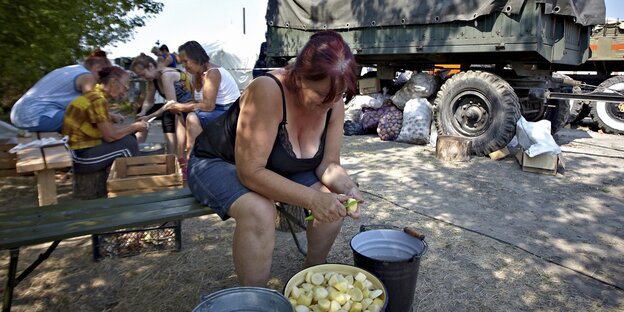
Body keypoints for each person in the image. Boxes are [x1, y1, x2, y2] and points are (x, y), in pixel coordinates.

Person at [187, 31, 363, 286]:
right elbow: (250, 172)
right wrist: (314, 199)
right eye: (321, 96)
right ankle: (254, 299)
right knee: (259, 210)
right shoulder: (268, 89)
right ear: (300, 76)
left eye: (337, 96)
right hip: (216, 161)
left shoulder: (332, 99)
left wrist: (348, 187)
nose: (330, 104)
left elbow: (329, 165)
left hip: (274, 165)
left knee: (334, 202)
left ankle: (310, 280)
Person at [62, 66, 148, 174]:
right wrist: (134, 127)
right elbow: (110, 136)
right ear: (113, 82)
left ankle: (117, 177)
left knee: (128, 138)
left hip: (79, 150)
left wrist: (131, 128)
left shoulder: (94, 94)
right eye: (124, 88)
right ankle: (132, 183)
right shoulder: (98, 100)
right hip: (79, 158)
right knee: (128, 144)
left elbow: (107, 130)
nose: (124, 93)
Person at [10, 51, 113, 132]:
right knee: (92, 122)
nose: (102, 80)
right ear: (98, 68)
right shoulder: (87, 77)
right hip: (34, 117)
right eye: (105, 74)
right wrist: (110, 118)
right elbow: (94, 107)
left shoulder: (72, 69)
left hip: (19, 114)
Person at [171, 40, 240, 159]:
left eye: (186, 61)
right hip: (216, 111)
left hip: (229, 112)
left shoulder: (212, 73)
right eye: (182, 63)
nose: (184, 66)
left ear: (196, 57)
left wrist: (181, 106)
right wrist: (179, 108)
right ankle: (181, 157)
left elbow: (208, 106)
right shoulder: (195, 75)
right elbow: (196, 103)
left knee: (192, 117)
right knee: (180, 116)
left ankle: (193, 159)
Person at [130, 53, 193, 166]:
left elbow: (171, 104)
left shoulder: (166, 75)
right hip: (174, 107)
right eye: (140, 76)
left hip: (186, 107)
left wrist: (149, 117)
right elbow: (149, 101)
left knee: (168, 114)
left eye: (143, 74)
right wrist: (143, 113)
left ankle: (171, 155)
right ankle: (137, 150)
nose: (143, 78)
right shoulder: (153, 79)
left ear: (151, 66)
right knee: (141, 112)